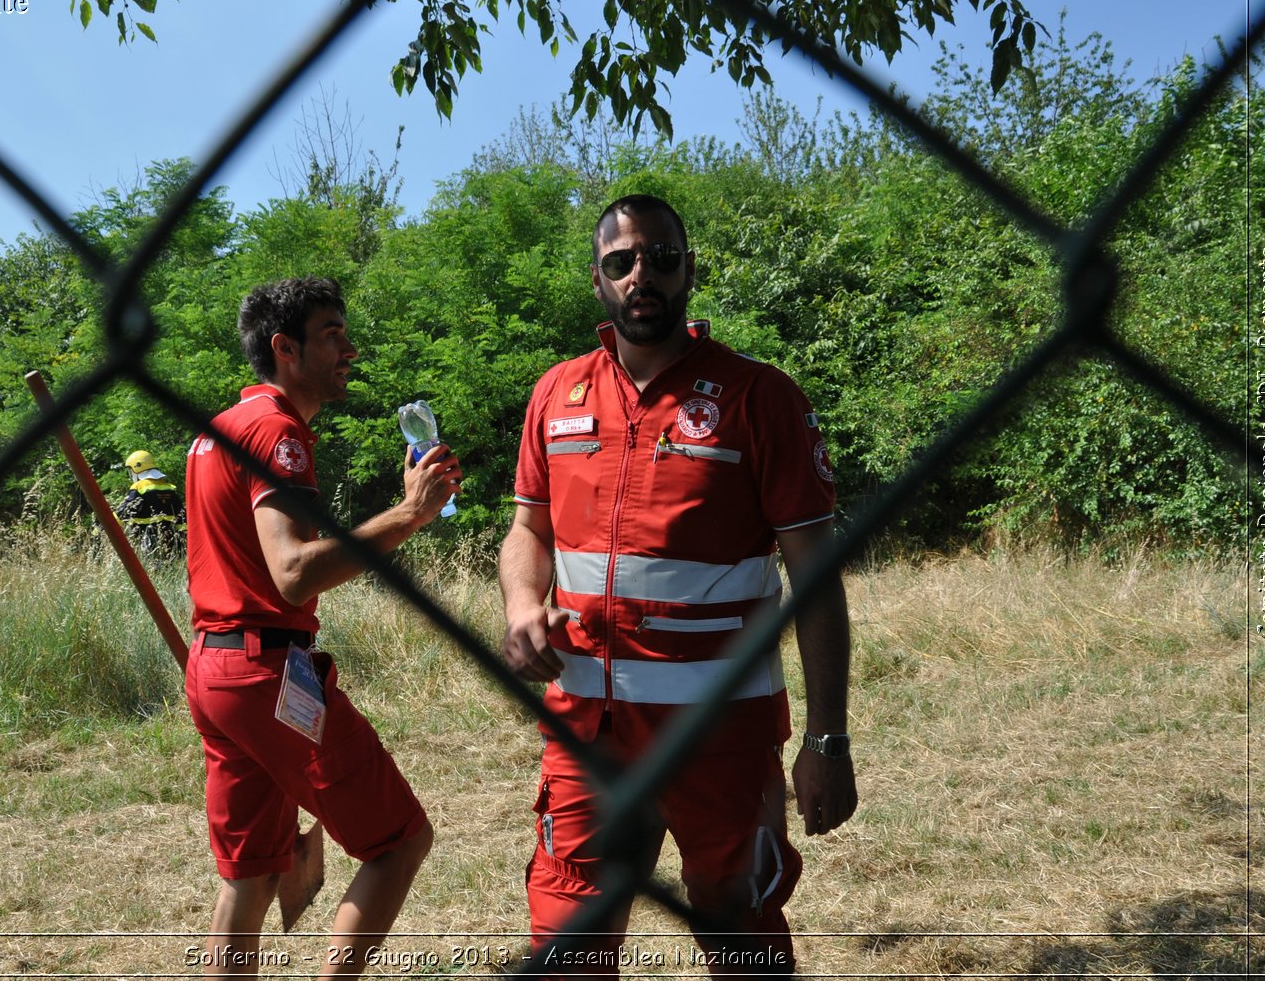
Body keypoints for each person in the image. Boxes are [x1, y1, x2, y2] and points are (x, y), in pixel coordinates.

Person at [498, 194, 857, 978]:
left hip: (720, 737)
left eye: (660, 257)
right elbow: (528, 531)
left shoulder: (760, 397)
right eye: (621, 261)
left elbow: (817, 580)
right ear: (597, 280)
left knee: (743, 942)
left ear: (689, 269)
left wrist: (828, 738)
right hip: (588, 735)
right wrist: (523, 604)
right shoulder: (557, 393)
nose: (641, 274)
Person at [184, 276, 462, 979]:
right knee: (399, 840)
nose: (350, 347)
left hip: (216, 668)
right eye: (333, 333)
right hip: (269, 673)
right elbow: (293, 573)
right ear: (285, 348)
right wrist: (409, 514)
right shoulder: (277, 433)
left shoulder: (214, 432)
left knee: (250, 874)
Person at [115, 449, 186, 559]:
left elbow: (125, 510)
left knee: (152, 570)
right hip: (171, 539)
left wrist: (106, 524)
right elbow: (182, 517)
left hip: (147, 538)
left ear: (136, 468)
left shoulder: (139, 487)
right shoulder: (170, 488)